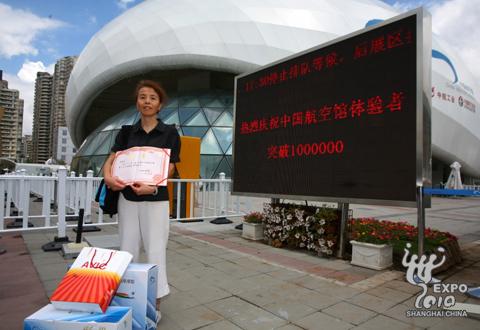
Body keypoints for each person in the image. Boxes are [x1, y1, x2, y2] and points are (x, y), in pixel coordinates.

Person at [102, 80, 180, 319]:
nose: (147, 101)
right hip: (127, 198)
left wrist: (152, 185)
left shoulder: (169, 132)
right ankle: (128, 299)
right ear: (137, 102)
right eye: (143, 97)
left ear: (160, 104)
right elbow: (112, 159)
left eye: (152, 98)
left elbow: (171, 167)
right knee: (127, 248)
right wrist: (108, 177)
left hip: (155, 198)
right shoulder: (126, 132)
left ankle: (153, 304)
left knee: (156, 249)